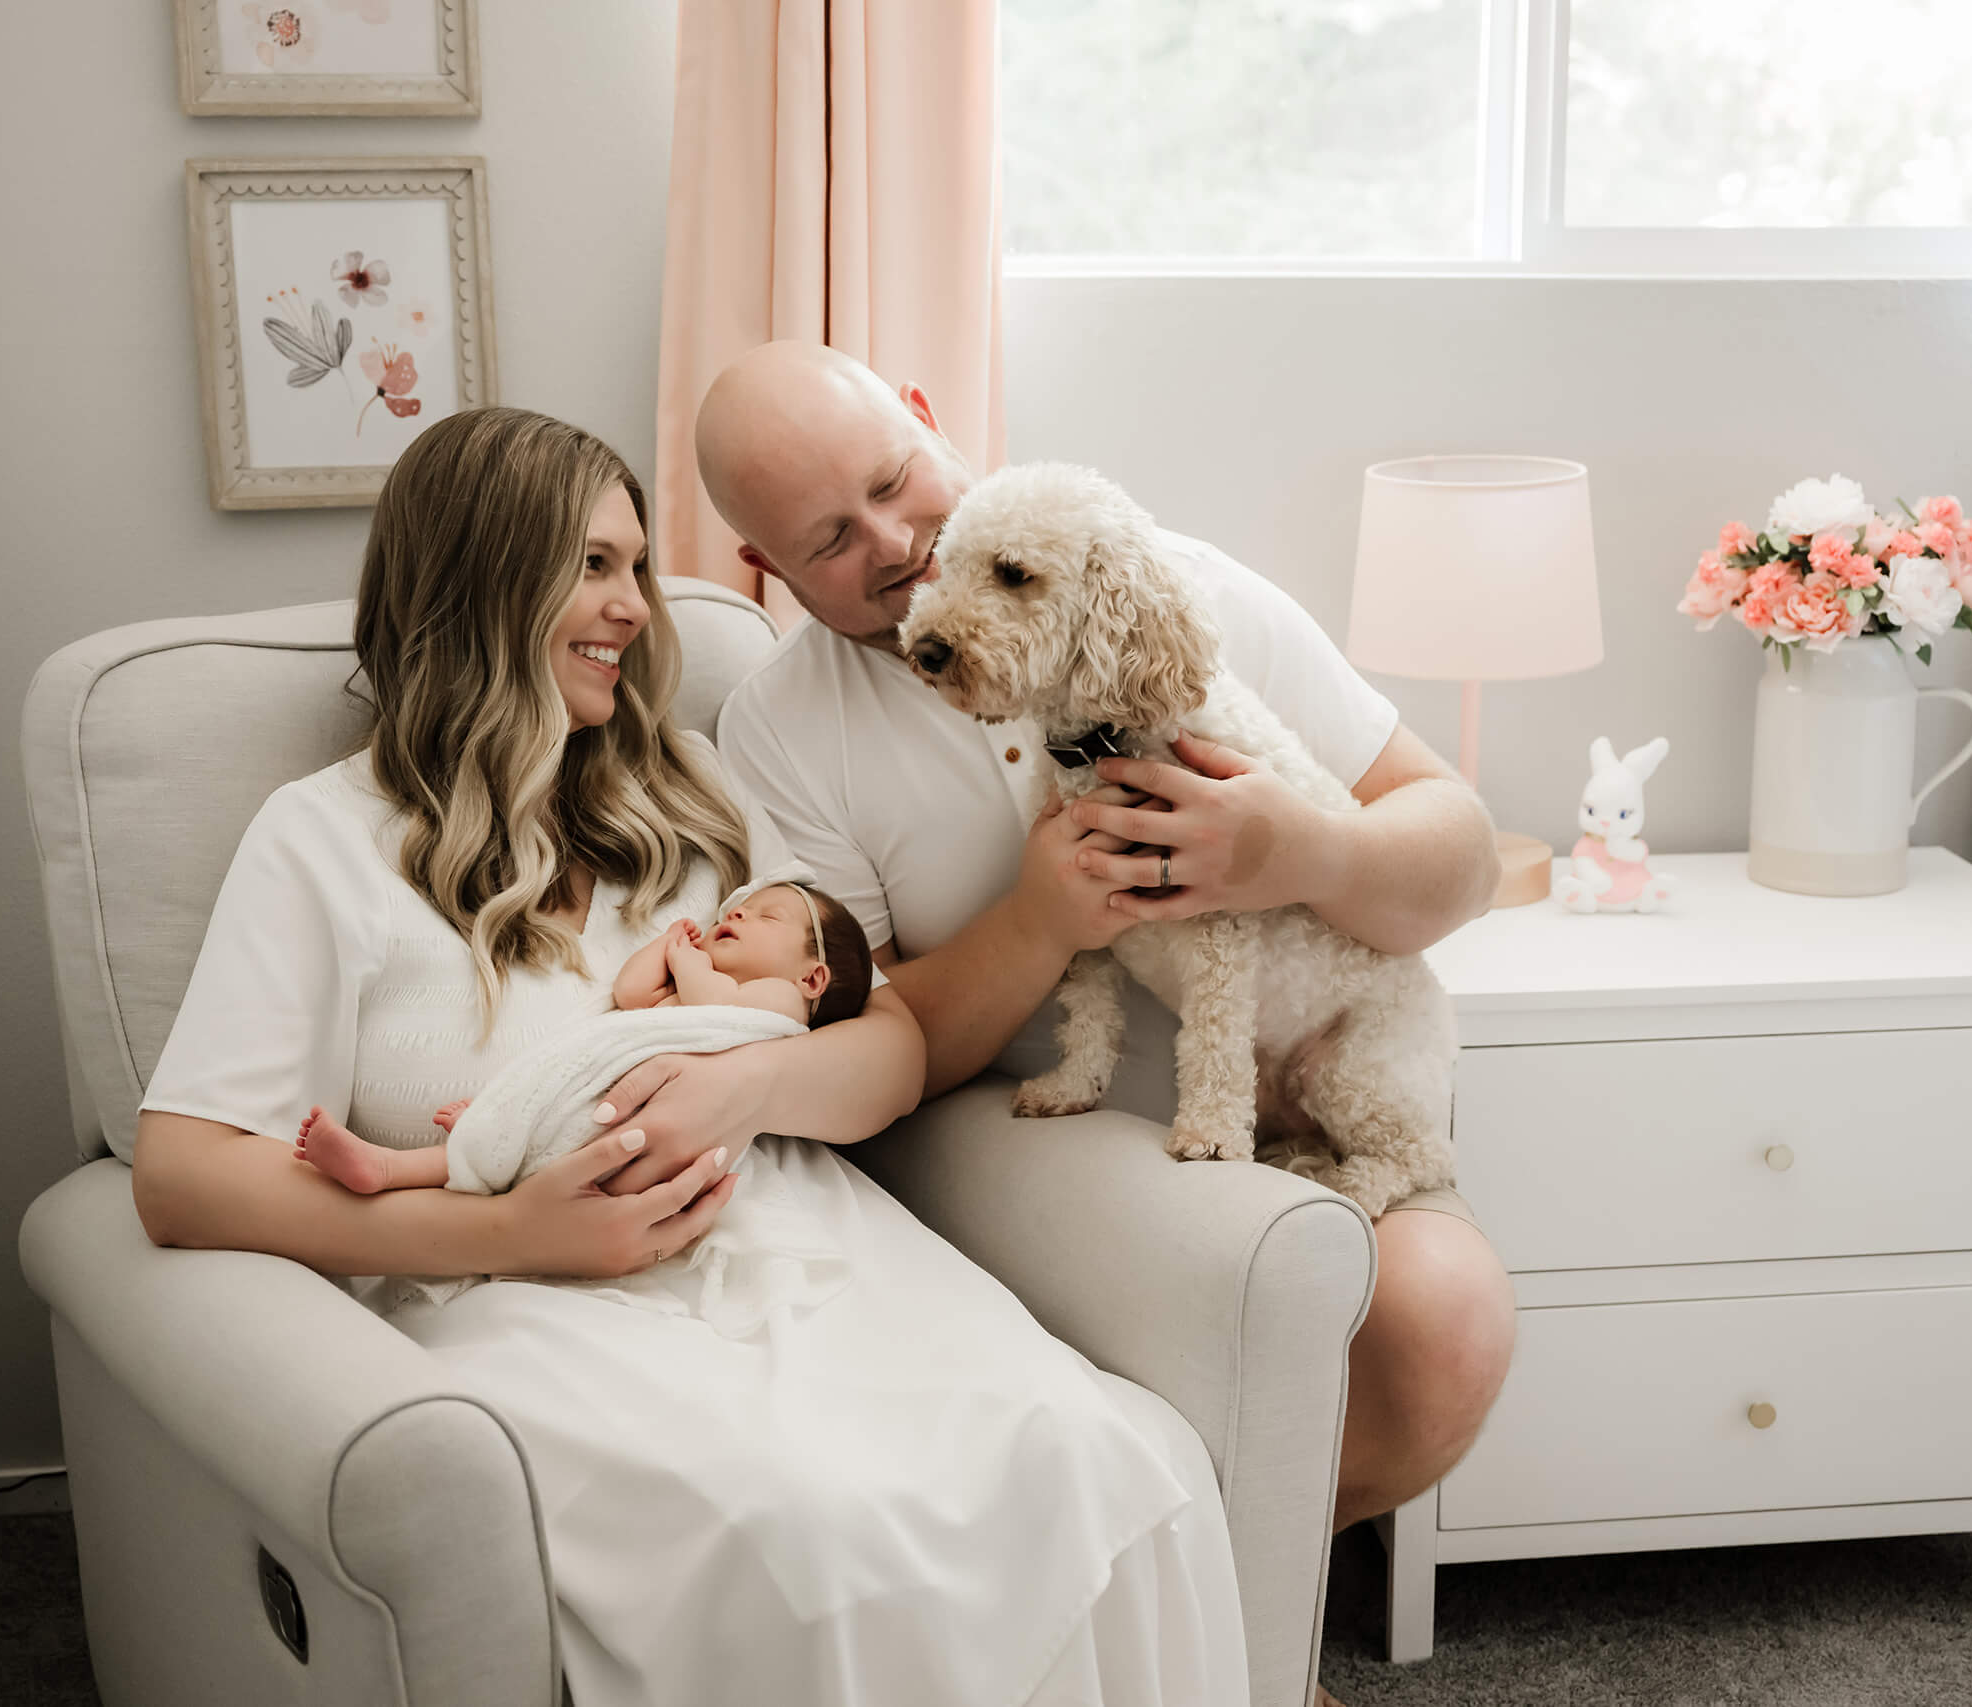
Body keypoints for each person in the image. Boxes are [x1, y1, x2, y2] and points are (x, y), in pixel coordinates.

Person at [128, 405, 1249, 1706]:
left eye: (639, 568)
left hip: (798, 1240)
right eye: (594, 565)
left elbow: (882, 1040)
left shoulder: (696, 785)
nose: (634, 606)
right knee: (810, 1524)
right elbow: (181, 1173)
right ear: (484, 575)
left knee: (1094, 1448)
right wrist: (519, 1234)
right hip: (524, 1295)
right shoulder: (323, 840)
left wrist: (753, 1081)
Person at [697, 341, 1516, 1543]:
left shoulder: (1170, 587)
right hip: (1029, 1126)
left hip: (1308, 1082)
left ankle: (1210, 1624)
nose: (888, 544)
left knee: (1444, 1330)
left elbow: (1462, 854)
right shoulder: (781, 728)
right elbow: (861, 1045)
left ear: (928, 421)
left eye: (890, 481)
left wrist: (1300, 852)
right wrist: (1037, 920)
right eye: (827, 540)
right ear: (764, 570)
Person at [291, 880, 874, 1198]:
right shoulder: (698, 987)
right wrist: (664, 946)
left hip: (648, 1125)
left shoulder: (781, 1003)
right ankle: (422, 1154)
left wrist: (686, 961)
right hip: (612, 1094)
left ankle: (411, 1162)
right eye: (741, 908)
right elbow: (631, 995)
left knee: (555, 1142)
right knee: (540, 1121)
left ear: (814, 976)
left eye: (766, 918)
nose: (741, 915)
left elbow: (713, 1004)